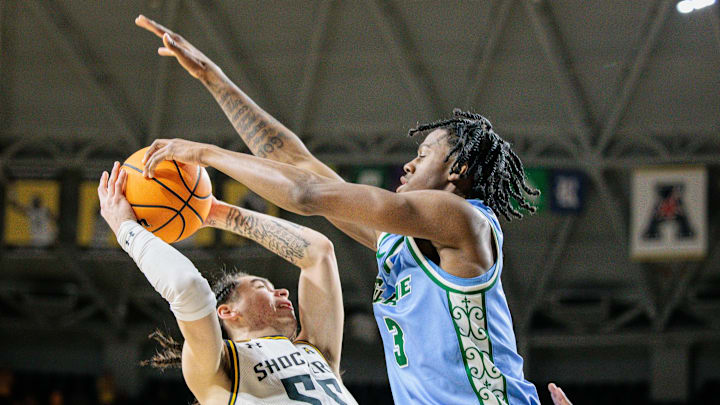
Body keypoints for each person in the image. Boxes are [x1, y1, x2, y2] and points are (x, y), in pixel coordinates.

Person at [136, 16, 540, 405]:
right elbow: (299, 163)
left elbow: (306, 193)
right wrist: (213, 78)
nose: (410, 165)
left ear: (457, 169)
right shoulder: (402, 243)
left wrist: (203, 152)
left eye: (423, 154)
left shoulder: (463, 221)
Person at [97, 162, 357, 404]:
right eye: (260, 286)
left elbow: (318, 252)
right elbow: (188, 287)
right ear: (227, 311)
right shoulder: (220, 366)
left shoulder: (315, 350)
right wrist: (126, 229)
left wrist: (216, 212)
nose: (282, 290)